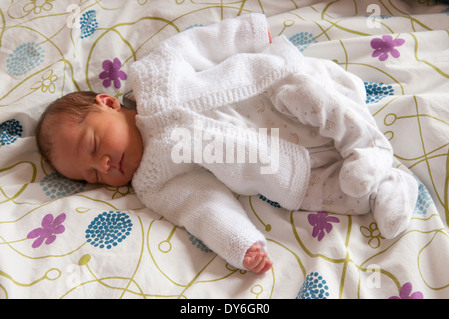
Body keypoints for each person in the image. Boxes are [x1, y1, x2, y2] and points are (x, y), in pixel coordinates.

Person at [35, 13, 418, 274]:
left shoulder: (151, 75)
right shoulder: (153, 182)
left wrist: (249, 34)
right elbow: (200, 204)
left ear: (107, 103)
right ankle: (388, 188)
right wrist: (239, 242)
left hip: (269, 92)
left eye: (93, 146)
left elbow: (197, 44)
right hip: (280, 167)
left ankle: (368, 147)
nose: (103, 165)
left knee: (314, 97)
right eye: (91, 176)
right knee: (317, 192)